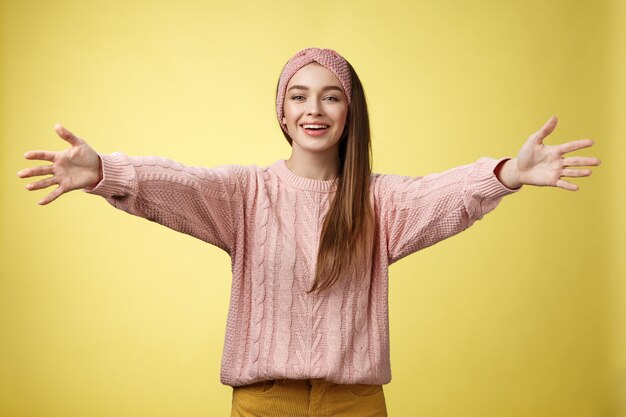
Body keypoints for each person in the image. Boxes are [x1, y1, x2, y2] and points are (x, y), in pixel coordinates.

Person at [17, 47, 600, 417]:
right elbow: (180, 184)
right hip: (264, 404)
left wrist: (508, 173)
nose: (313, 108)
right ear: (283, 112)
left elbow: (444, 195)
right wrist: (105, 172)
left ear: (349, 113)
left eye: (330, 96)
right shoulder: (245, 195)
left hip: (355, 405)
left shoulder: (377, 202)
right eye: (299, 96)